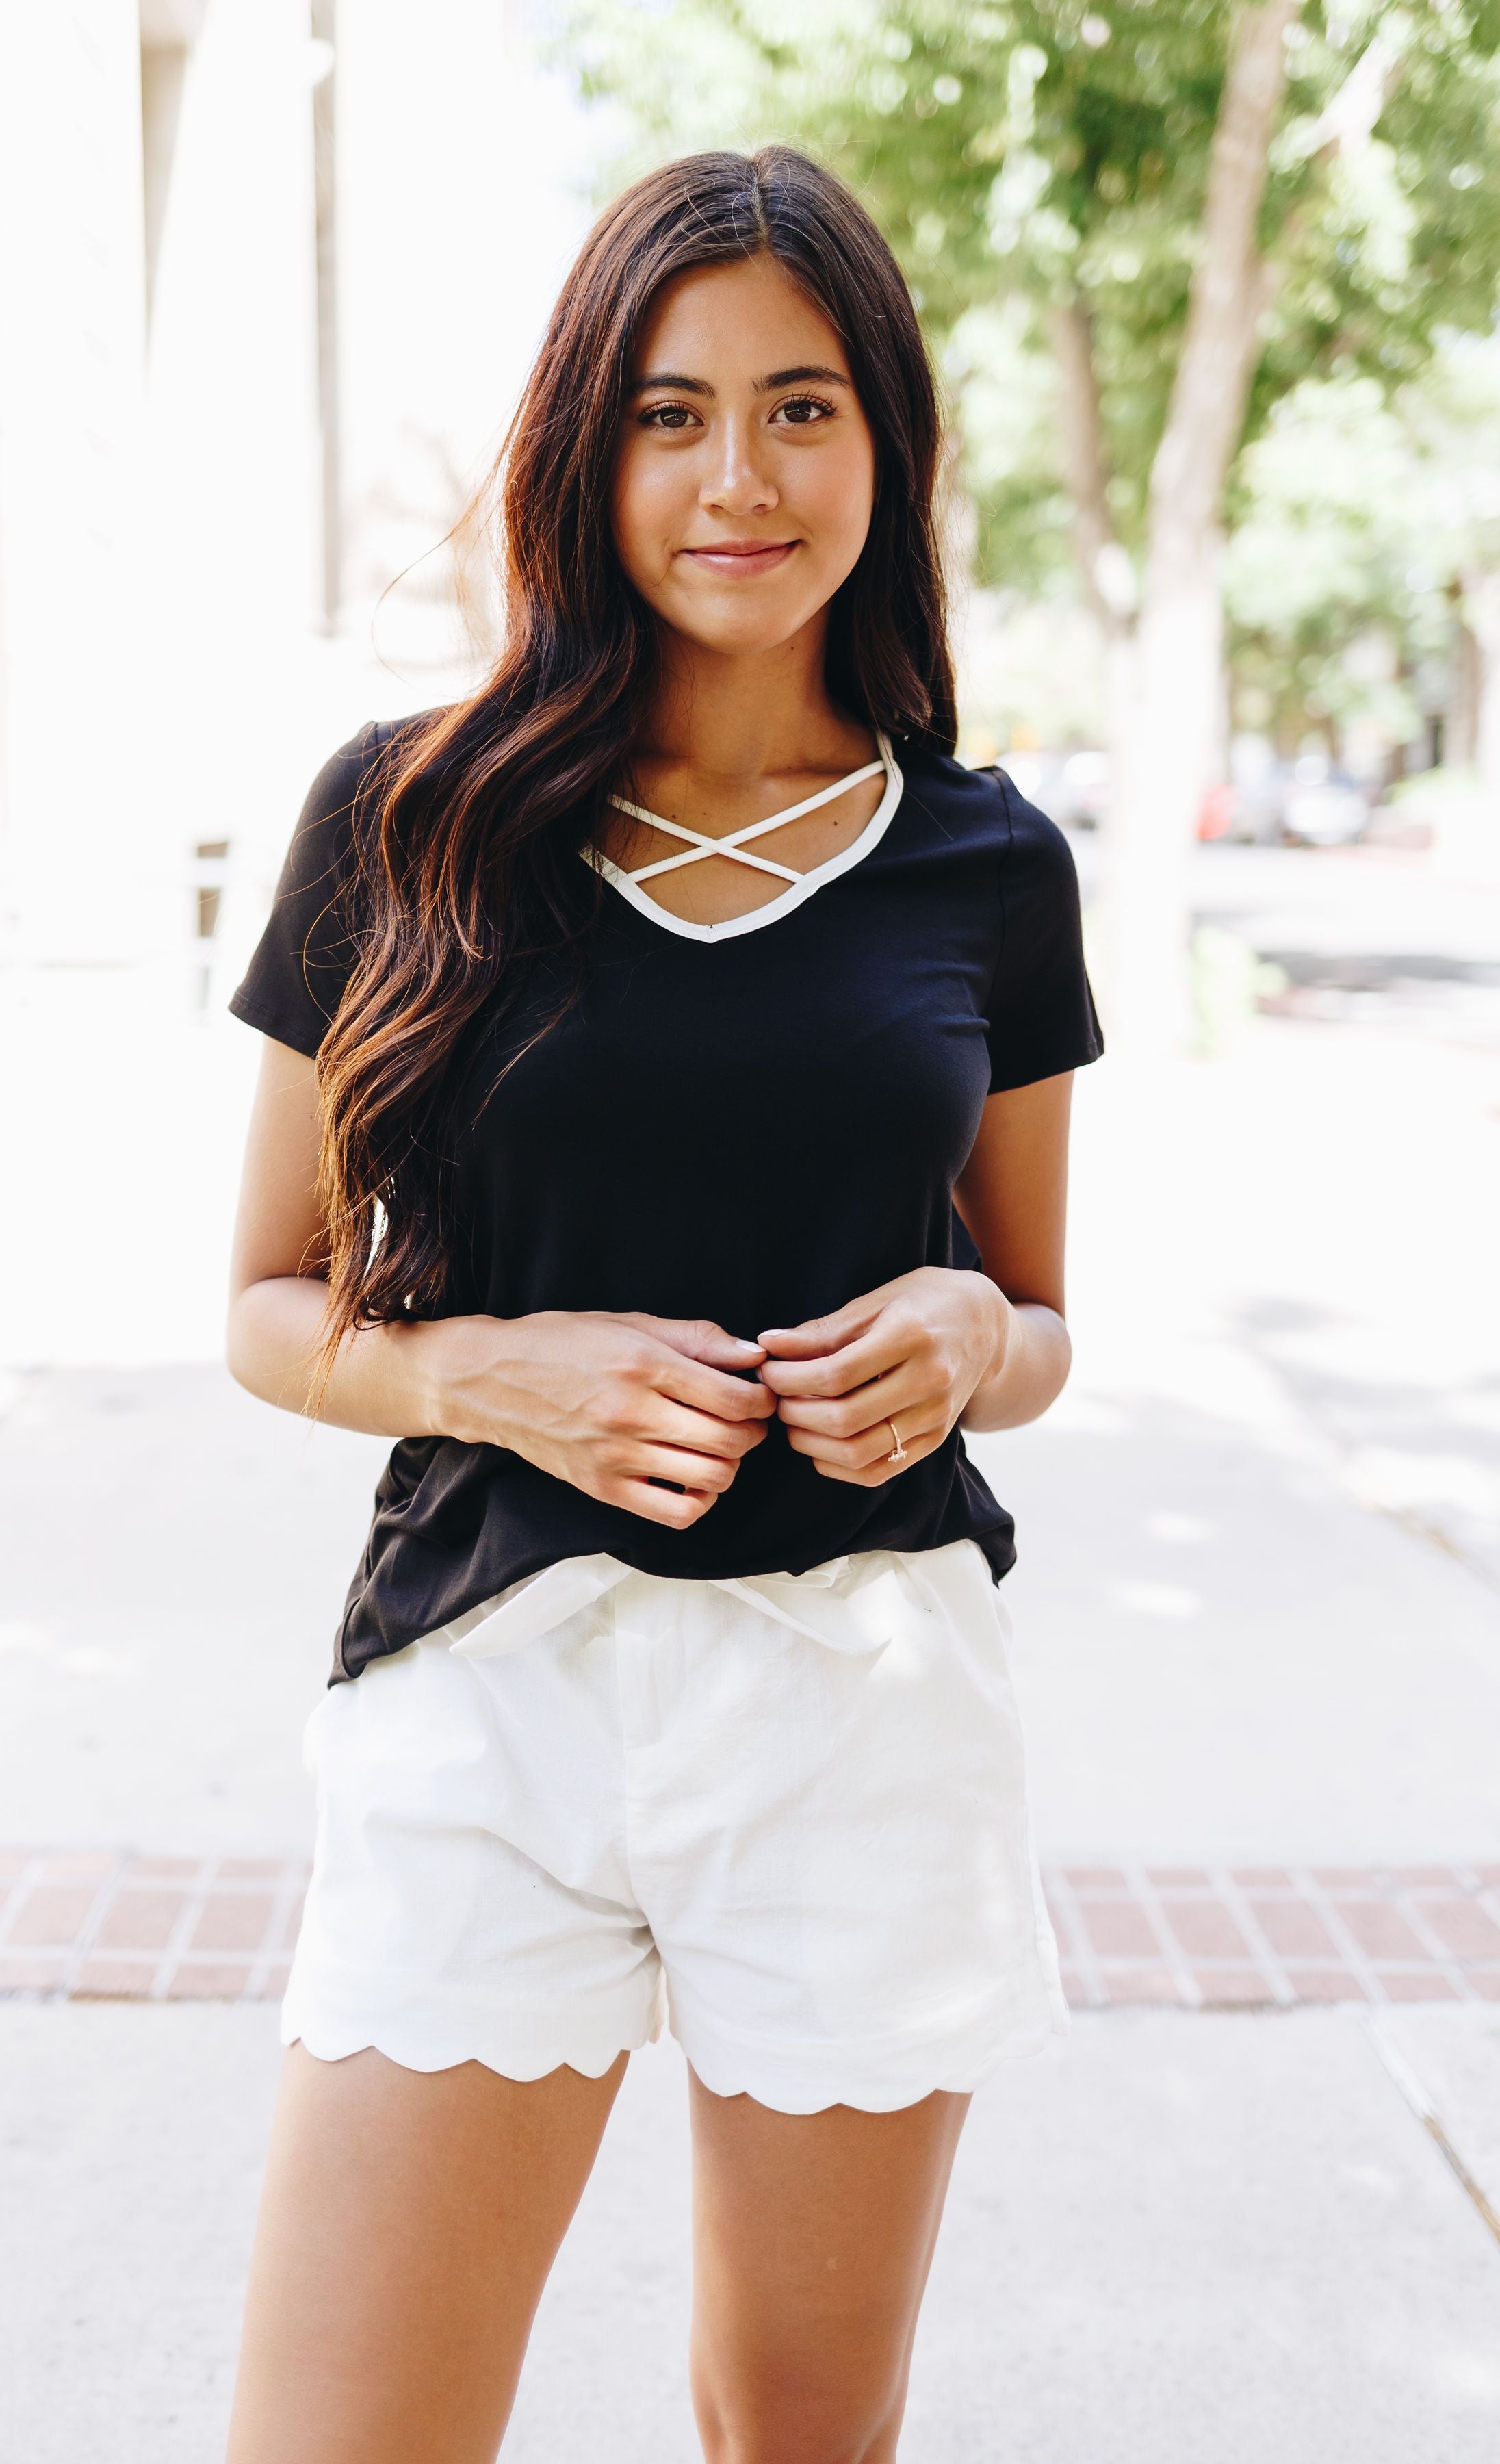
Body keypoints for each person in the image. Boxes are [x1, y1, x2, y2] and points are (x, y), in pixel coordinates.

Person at [222, 146, 1101, 2464]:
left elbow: (1037, 1319)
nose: (740, 481)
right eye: (669, 413)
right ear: (584, 449)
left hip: (860, 1711)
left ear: (887, 446)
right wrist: (486, 1373)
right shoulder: (406, 816)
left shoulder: (987, 863)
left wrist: (967, 1340)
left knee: (797, 2436)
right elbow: (266, 1307)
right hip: (487, 1700)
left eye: (804, 409)